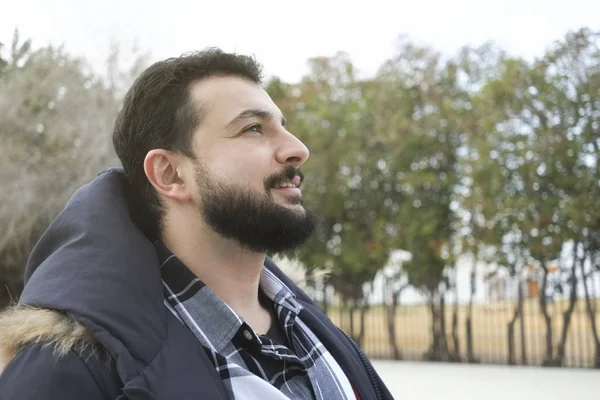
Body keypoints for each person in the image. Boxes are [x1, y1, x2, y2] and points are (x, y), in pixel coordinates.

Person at [0, 48, 394, 400]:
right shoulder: (68, 371)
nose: (297, 149)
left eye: (283, 125)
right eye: (253, 128)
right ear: (170, 174)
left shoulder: (310, 327)